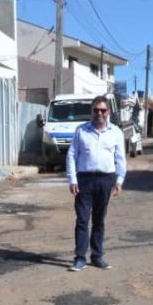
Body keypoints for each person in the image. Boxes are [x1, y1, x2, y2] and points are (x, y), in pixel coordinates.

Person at [66, 95, 127, 272]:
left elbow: (120, 158)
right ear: (91, 111)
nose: (99, 113)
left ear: (108, 112)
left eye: (103, 110)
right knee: (83, 219)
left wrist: (119, 180)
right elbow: (71, 155)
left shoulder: (115, 132)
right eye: (96, 110)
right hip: (84, 180)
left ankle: (97, 256)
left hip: (106, 180)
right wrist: (72, 179)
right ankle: (79, 258)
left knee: (99, 220)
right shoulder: (81, 131)